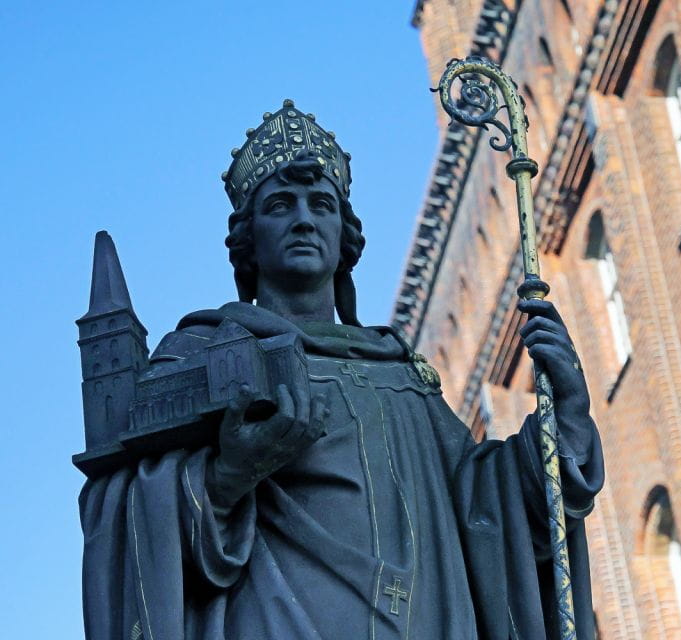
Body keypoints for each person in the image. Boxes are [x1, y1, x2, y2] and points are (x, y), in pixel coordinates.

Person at [79, 100, 604, 640]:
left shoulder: (400, 374)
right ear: (248, 240)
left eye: (322, 205)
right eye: (281, 205)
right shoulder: (202, 354)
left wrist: (563, 417)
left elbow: (488, 510)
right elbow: (123, 510)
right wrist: (229, 475)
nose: (304, 218)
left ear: (344, 236)